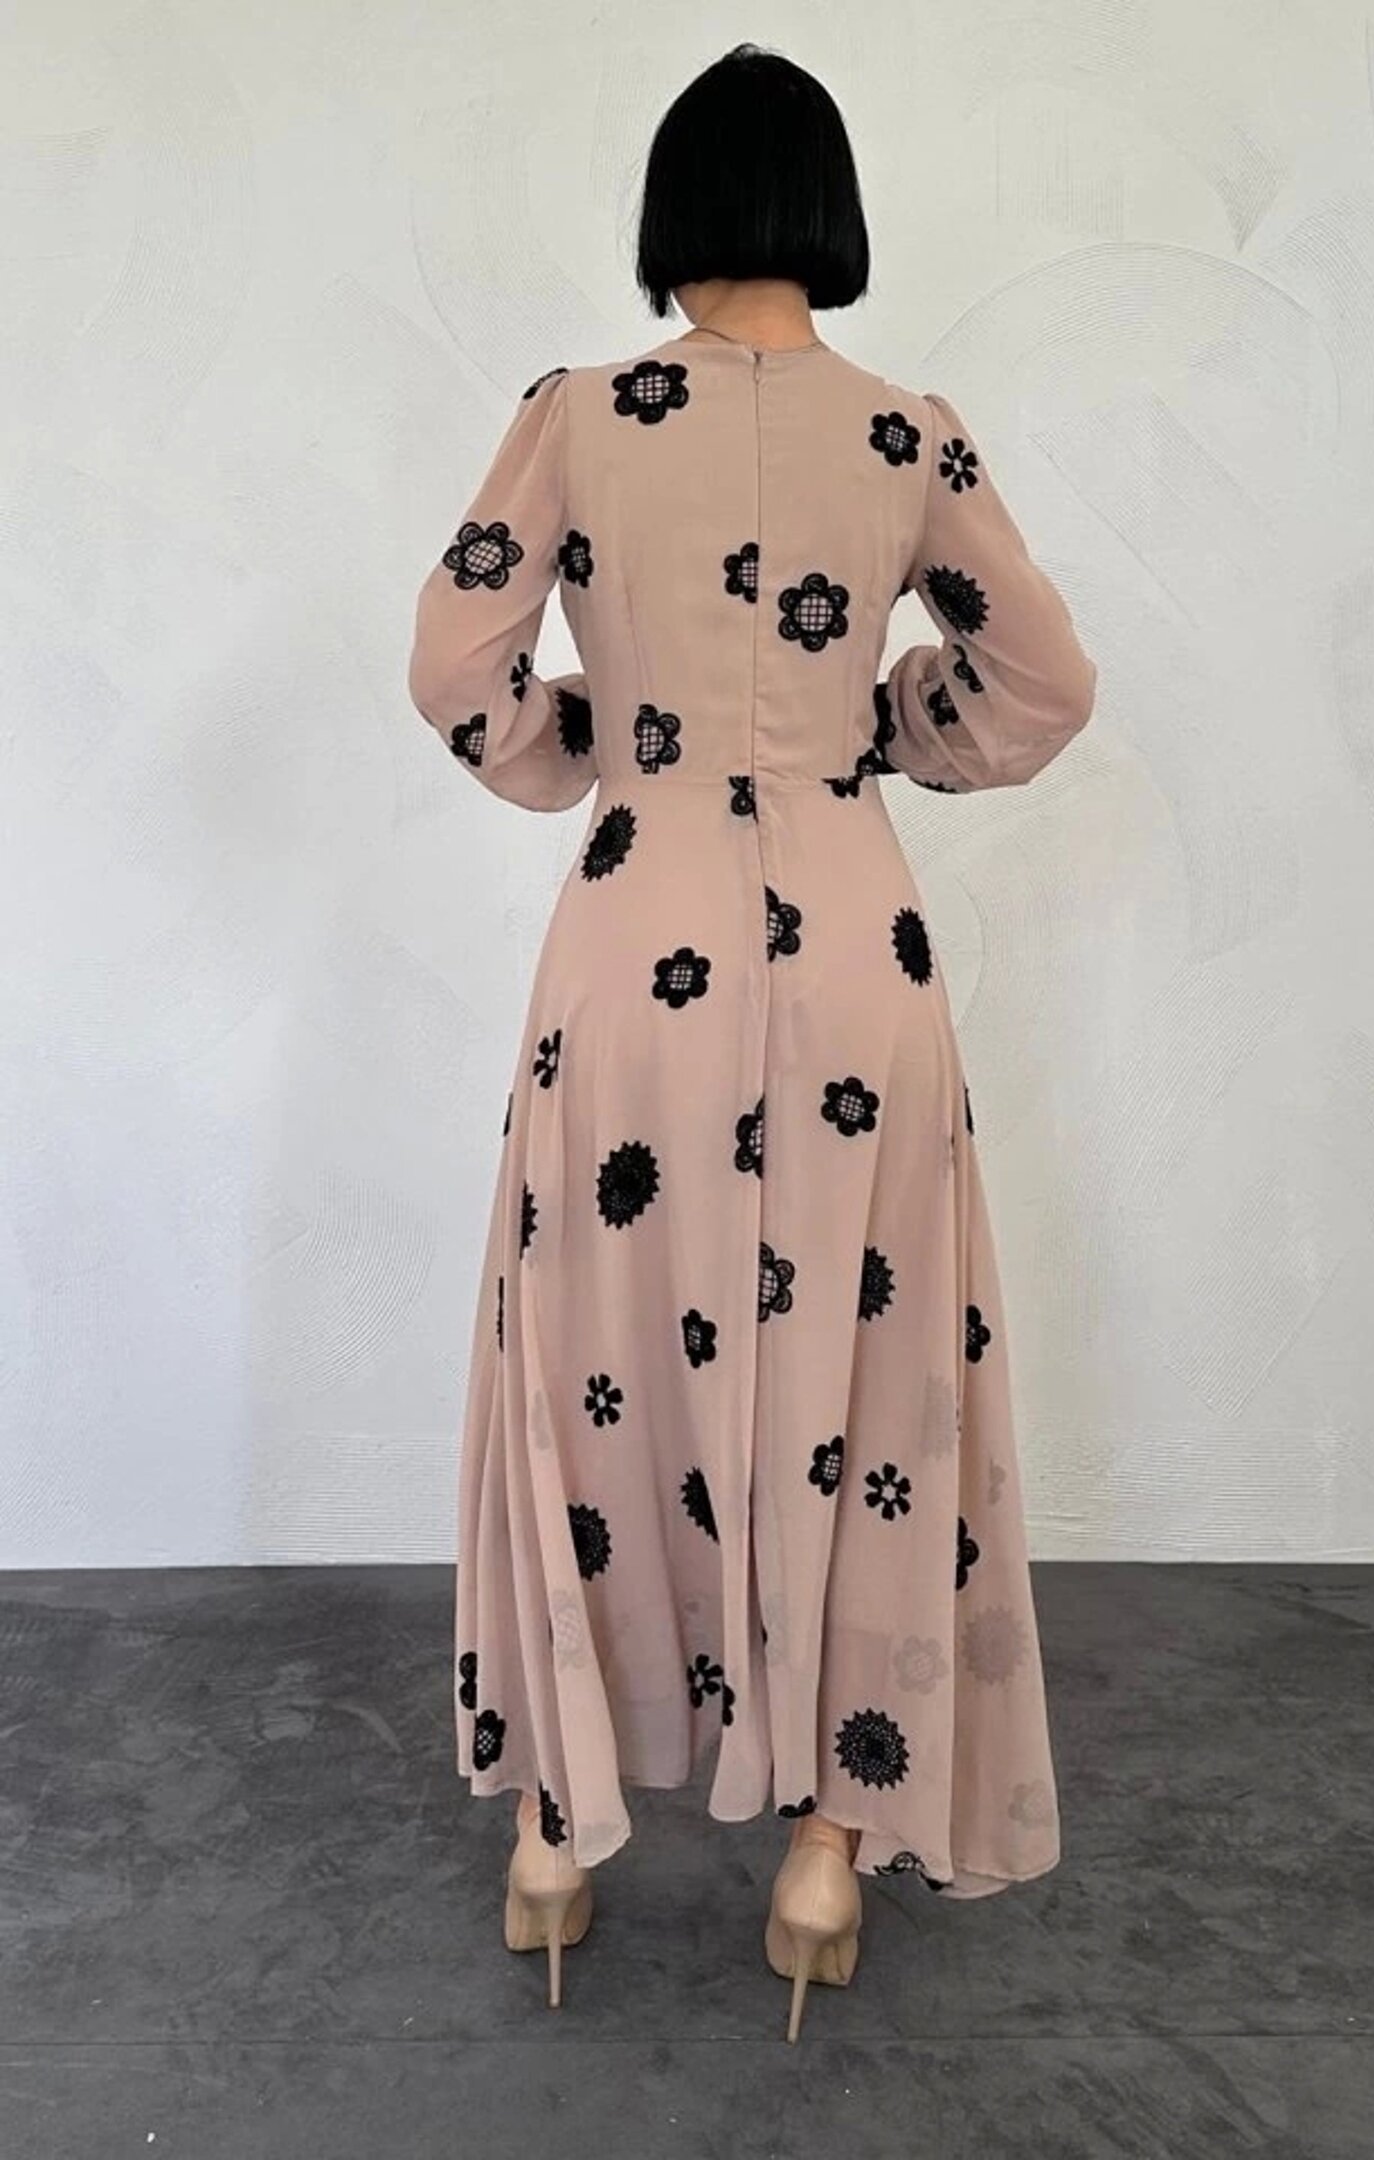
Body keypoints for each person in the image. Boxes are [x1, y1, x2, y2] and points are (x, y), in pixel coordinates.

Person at [405, 42, 1097, 2043]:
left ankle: (559, 1829)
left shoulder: (576, 417)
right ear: (828, 212)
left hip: (640, 945)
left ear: (674, 211)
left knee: (596, 1356)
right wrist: (881, 731)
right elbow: (1044, 685)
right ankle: (824, 1848)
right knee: (859, 1378)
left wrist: (587, 757)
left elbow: (455, 663)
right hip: (858, 951)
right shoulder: (910, 440)